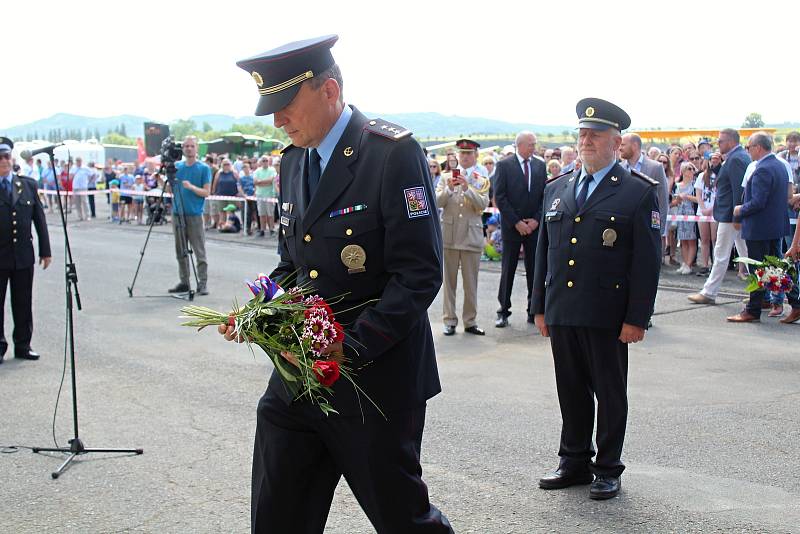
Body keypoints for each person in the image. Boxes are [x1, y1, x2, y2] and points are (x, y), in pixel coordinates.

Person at [222, 35, 453, 533]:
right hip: (299, 375)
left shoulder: (392, 154)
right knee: (277, 514)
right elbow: (292, 265)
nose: (278, 120)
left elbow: (418, 273)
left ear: (328, 90)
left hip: (373, 380)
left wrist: (351, 346)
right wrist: (262, 313)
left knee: (402, 520)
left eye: (285, 106)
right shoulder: (293, 161)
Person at [532, 99, 661, 500]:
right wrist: (538, 305)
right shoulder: (558, 188)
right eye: (582, 134)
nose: (585, 140)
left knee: (609, 392)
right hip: (564, 309)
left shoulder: (637, 193)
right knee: (569, 388)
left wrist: (637, 317)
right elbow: (543, 251)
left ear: (616, 143)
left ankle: (607, 468)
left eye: (595, 135)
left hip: (607, 313)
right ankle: (573, 460)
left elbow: (647, 263)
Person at [727, 132, 793, 322]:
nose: (748, 151)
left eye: (749, 147)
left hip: (760, 228)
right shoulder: (780, 166)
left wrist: (739, 209)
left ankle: (753, 310)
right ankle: (795, 303)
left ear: (758, 147)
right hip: (773, 227)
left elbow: (758, 202)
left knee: (758, 270)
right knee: (774, 269)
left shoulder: (763, 168)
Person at [0, 137, 52, 363]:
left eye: (6, 156)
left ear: (12, 158)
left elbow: (39, 219)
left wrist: (45, 250)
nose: (3, 161)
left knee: (23, 302)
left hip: (22, 255)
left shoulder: (28, 185)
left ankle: (23, 344)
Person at [687, 129, 751, 305]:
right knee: (747, 254)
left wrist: (737, 217)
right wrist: (716, 168)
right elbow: (729, 180)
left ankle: (709, 292)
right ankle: (761, 293)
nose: (718, 144)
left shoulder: (737, 158)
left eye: (721, 141)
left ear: (730, 141)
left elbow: (739, 190)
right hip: (731, 215)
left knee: (722, 254)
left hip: (731, 216)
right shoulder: (736, 157)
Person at [436, 138, 490, 336]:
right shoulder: (445, 177)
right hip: (449, 235)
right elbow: (438, 201)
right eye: (462, 153)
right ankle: (449, 320)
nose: (465, 157)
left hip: (470, 235)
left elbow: (482, 205)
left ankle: (470, 321)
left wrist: (467, 188)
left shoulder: (480, 178)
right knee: (449, 282)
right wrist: (450, 188)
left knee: (470, 283)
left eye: (468, 153)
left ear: (476, 155)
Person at [493, 131, 546, 328]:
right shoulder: (504, 165)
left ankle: (534, 310)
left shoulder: (540, 165)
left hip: (533, 228)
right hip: (512, 228)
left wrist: (536, 221)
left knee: (535, 270)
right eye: (531, 144)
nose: (534, 147)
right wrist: (517, 223)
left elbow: (544, 195)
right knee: (508, 270)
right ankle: (503, 311)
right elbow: (500, 197)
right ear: (520, 145)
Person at [167, 136, 211, 296]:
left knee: (199, 251)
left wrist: (191, 187)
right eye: (186, 146)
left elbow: (206, 192)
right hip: (178, 214)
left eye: (191, 146)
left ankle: (203, 283)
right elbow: (170, 190)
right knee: (181, 251)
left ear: (196, 148)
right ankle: (184, 281)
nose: (189, 149)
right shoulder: (177, 167)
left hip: (194, 215)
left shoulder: (203, 168)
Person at [671, 161, 698, 274]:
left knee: (691, 240)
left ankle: (689, 264)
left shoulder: (695, 185)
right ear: (683, 171)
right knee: (683, 240)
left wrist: (686, 197)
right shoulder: (677, 185)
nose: (691, 171)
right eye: (688, 168)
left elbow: (699, 199)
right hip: (680, 214)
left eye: (693, 168)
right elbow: (671, 201)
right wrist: (677, 200)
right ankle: (685, 263)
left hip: (691, 213)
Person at [253, 155, 277, 236]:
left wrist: (261, 182)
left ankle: (271, 229)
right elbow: (256, 182)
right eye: (263, 160)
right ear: (260, 162)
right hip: (260, 195)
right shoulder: (257, 171)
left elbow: (271, 181)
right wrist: (264, 182)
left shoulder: (272, 169)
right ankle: (262, 230)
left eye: (266, 160)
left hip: (270, 195)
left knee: (270, 214)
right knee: (261, 214)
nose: (265, 162)